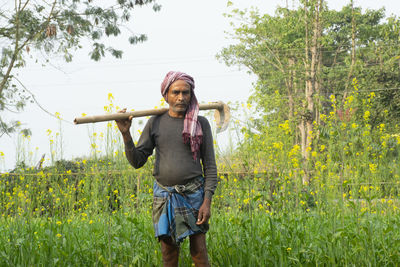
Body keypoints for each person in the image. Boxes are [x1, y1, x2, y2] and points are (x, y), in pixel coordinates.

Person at [115, 71, 218, 267]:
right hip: (165, 195)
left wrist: (207, 201)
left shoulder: (201, 123)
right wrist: (126, 134)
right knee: (168, 253)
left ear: (191, 95)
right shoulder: (156, 122)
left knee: (199, 251)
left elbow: (211, 167)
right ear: (166, 95)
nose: (181, 97)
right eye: (176, 92)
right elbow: (137, 161)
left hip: (194, 193)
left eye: (185, 93)